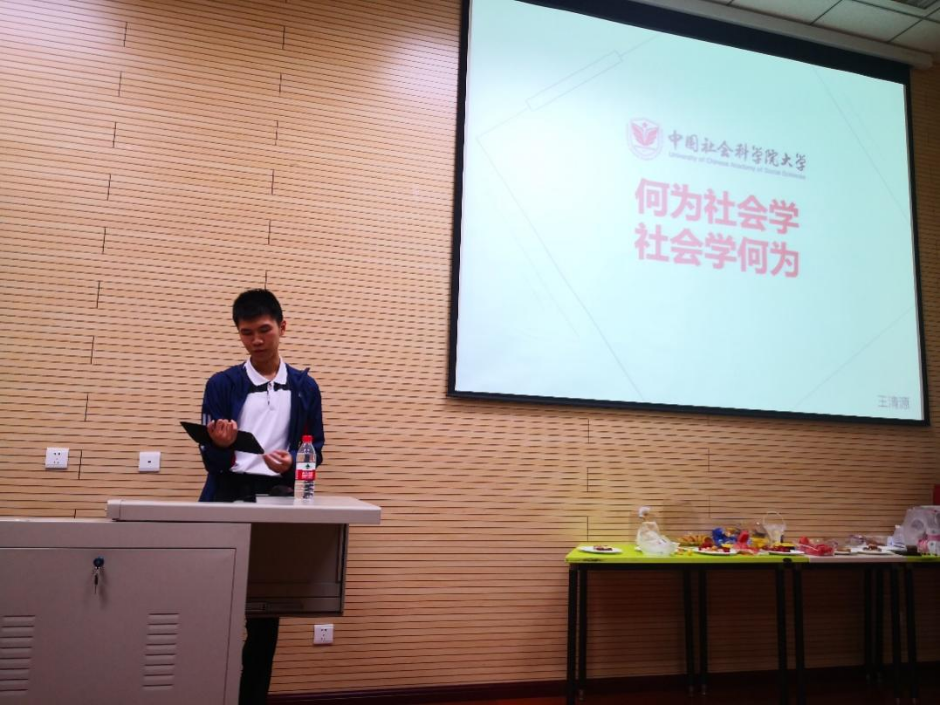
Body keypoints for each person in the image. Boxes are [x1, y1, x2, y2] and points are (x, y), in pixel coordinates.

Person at [198, 288, 324, 705]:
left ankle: (252, 698)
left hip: (277, 498)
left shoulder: (305, 387)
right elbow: (211, 460)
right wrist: (219, 446)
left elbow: (316, 449)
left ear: (282, 328)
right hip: (226, 495)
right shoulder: (222, 384)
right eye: (246, 332)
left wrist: (292, 465)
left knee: (265, 613)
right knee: (211, 605)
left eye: (264, 330)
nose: (256, 340)